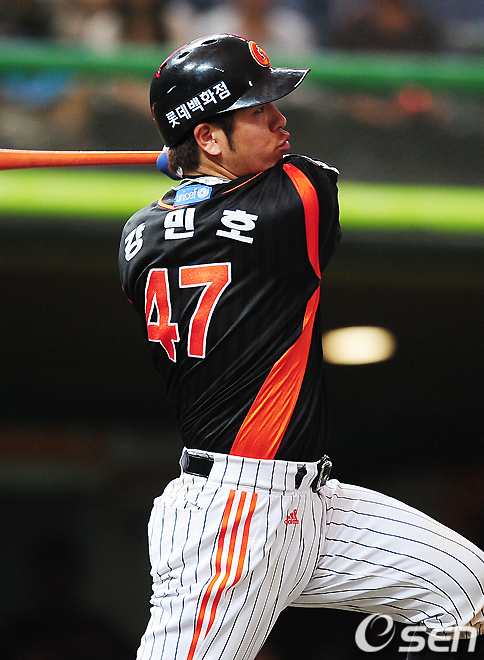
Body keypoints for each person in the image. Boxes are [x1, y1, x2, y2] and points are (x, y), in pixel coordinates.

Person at [118, 34, 484, 660]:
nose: (280, 119)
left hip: (313, 503)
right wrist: (198, 176)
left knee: (464, 588)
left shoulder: (138, 235)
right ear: (208, 137)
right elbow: (296, 179)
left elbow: (200, 215)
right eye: (258, 110)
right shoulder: (296, 201)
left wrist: (191, 174)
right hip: (233, 516)